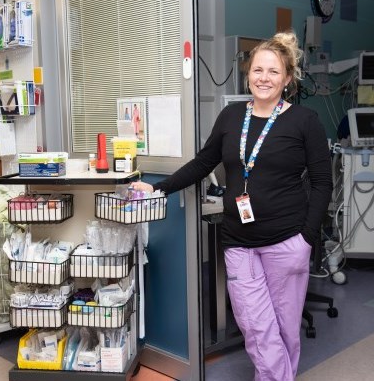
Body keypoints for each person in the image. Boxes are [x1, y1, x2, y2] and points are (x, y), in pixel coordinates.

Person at [131, 30, 333, 381]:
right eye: (258, 70)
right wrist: (158, 187)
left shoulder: (304, 121)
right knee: (256, 326)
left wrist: (307, 238)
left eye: (273, 71)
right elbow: (202, 163)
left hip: (287, 241)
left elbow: (322, 182)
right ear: (248, 74)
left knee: (285, 329)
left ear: (287, 79)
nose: (264, 78)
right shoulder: (230, 118)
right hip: (239, 240)